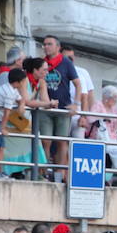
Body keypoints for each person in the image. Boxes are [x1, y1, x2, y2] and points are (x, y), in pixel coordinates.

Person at [38, 36, 80, 177]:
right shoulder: (42, 63)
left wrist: (76, 104)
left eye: (49, 44)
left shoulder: (66, 62)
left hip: (63, 108)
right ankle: (44, 171)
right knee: (45, 141)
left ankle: (60, 173)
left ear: (58, 47)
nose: (46, 47)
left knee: (62, 141)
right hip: (46, 108)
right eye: (44, 44)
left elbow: (78, 84)